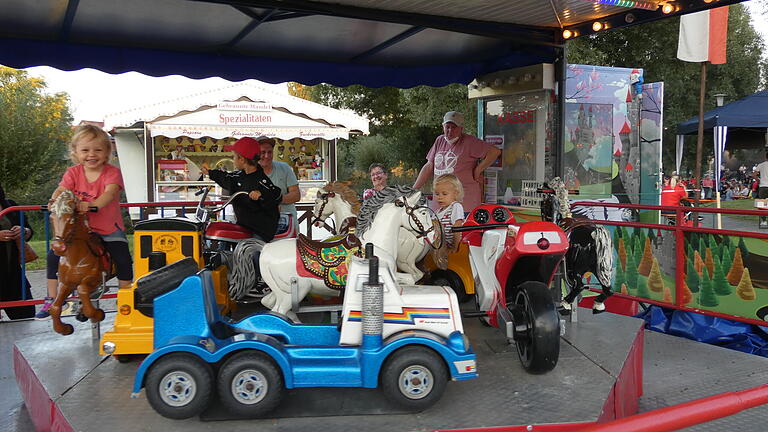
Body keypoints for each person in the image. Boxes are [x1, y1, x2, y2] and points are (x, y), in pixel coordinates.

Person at [38, 125, 133, 320]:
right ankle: (52, 297)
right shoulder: (73, 173)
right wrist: (54, 201)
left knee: (122, 257)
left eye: (98, 150)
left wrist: (91, 205)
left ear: (107, 152)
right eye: (85, 150)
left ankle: (125, 294)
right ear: (75, 152)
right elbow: (61, 190)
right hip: (78, 229)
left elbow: (109, 193)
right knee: (53, 255)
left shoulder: (111, 173)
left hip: (107, 227)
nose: (92, 155)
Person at [413, 111, 501, 211]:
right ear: (443, 127)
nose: (450, 130)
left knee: (459, 225)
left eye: (454, 127)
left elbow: (495, 152)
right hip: (440, 203)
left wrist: (478, 170)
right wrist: (414, 189)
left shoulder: (470, 141)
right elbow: (429, 165)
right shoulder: (440, 140)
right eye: (447, 127)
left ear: (461, 128)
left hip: (464, 203)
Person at [203, 137, 283, 242]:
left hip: (260, 230)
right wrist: (210, 173)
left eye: (234, 157)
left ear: (242, 159)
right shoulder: (239, 175)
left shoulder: (261, 180)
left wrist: (261, 194)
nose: (233, 159)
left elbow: (277, 194)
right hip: (244, 225)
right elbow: (227, 178)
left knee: (252, 253)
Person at [0, 183, 36, 320]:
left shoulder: (11, 205)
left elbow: (28, 229)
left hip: (14, 275)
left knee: (26, 319)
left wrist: (24, 231)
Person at [257, 138, 300, 235]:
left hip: (287, 226)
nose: (267, 156)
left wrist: (275, 200)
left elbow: (296, 195)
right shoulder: (250, 173)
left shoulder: (285, 168)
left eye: (270, 152)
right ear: (256, 154)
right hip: (262, 227)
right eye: (262, 152)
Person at [433, 174, 465, 253]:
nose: (440, 197)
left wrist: (455, 247)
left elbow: (457, 228)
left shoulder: (455, 207)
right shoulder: (436, 213)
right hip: (442, 249)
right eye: (437, 194)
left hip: (454, 248)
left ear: (455, 194)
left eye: (444, 194)